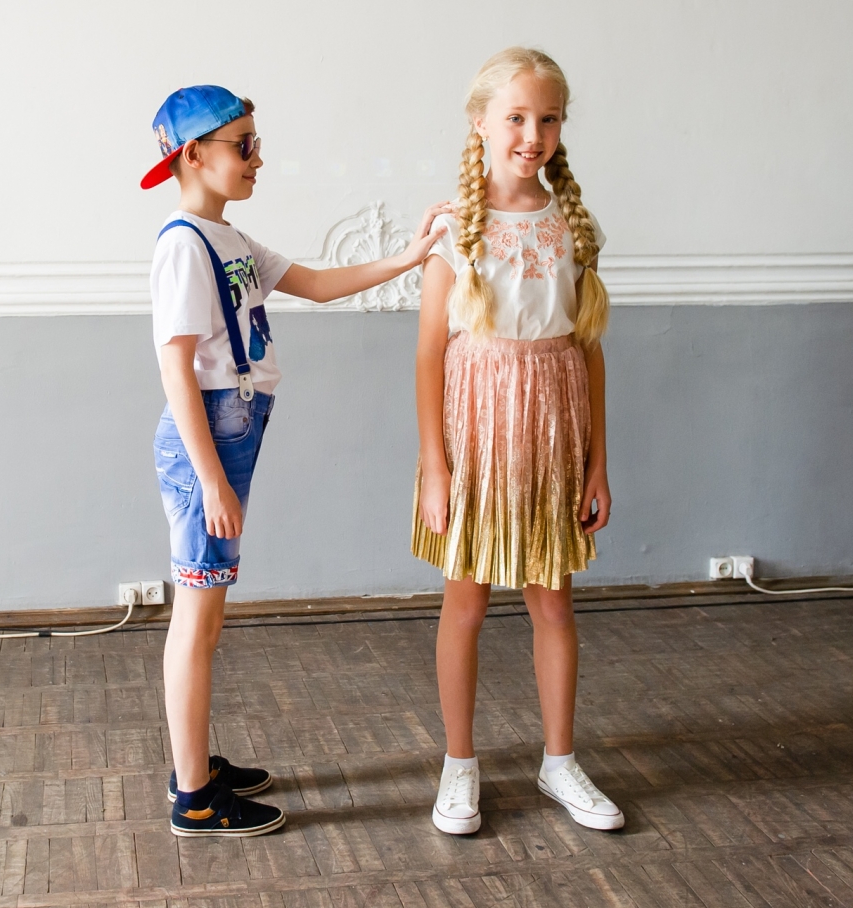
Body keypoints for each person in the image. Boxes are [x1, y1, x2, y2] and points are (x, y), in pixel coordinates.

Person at [143, 84, 445, 838]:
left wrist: (410, 256)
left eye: (257, 143)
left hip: (231, 431)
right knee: (196, 616)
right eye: (243, 144)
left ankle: (194, 764)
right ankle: (194, 797)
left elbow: (315, 285)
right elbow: (176, 369)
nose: (258, 158)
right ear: (195, 154)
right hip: (206, 441)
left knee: (208, 613)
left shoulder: (229, 239)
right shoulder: (183, 245)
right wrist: (211, 478)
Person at [411, 47, 622, 836]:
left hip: (554, 431)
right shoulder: (455, 232)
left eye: (548, 119)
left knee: (553, 600)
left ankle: (560, 759)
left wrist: (598, 460)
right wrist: (435, 464)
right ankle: (459, 763)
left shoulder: (571, 227)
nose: (533, 135)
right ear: (481, 123)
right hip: (476, 435)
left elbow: (589, 348)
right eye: (516, 118)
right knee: (464, 600)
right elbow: (430, 356)